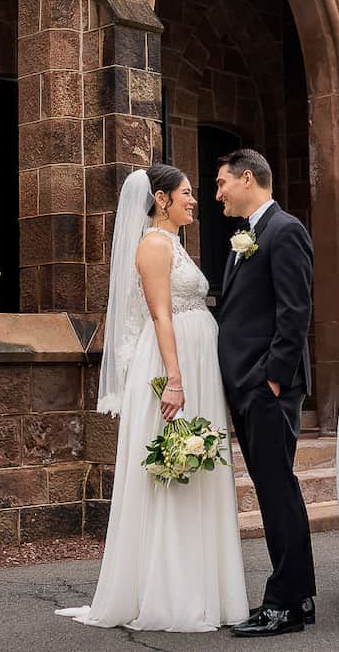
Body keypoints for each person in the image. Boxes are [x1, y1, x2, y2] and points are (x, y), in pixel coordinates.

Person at [56, 164, 248, 632]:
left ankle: (204, 589)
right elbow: (162, 317)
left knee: (196, 468)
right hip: (172, 366)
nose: (193, 200)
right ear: (161, 199)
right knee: (175, 470)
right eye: (186, 193)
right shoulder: (153, 246)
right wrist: (177, 381)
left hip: (195, 365)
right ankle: (171, 593)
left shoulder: (175, 244)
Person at [215, 148, 317, 638]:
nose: (218, 194)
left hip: (267, 388)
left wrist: (271, 377)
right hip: (249, 386)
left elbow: (295, 310)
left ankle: (286, 605)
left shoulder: (285, 229)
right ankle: (299, 595)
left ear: (247, 178)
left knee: (278, 493)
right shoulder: (247, 236)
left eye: (221, 184)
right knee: (275, 493)